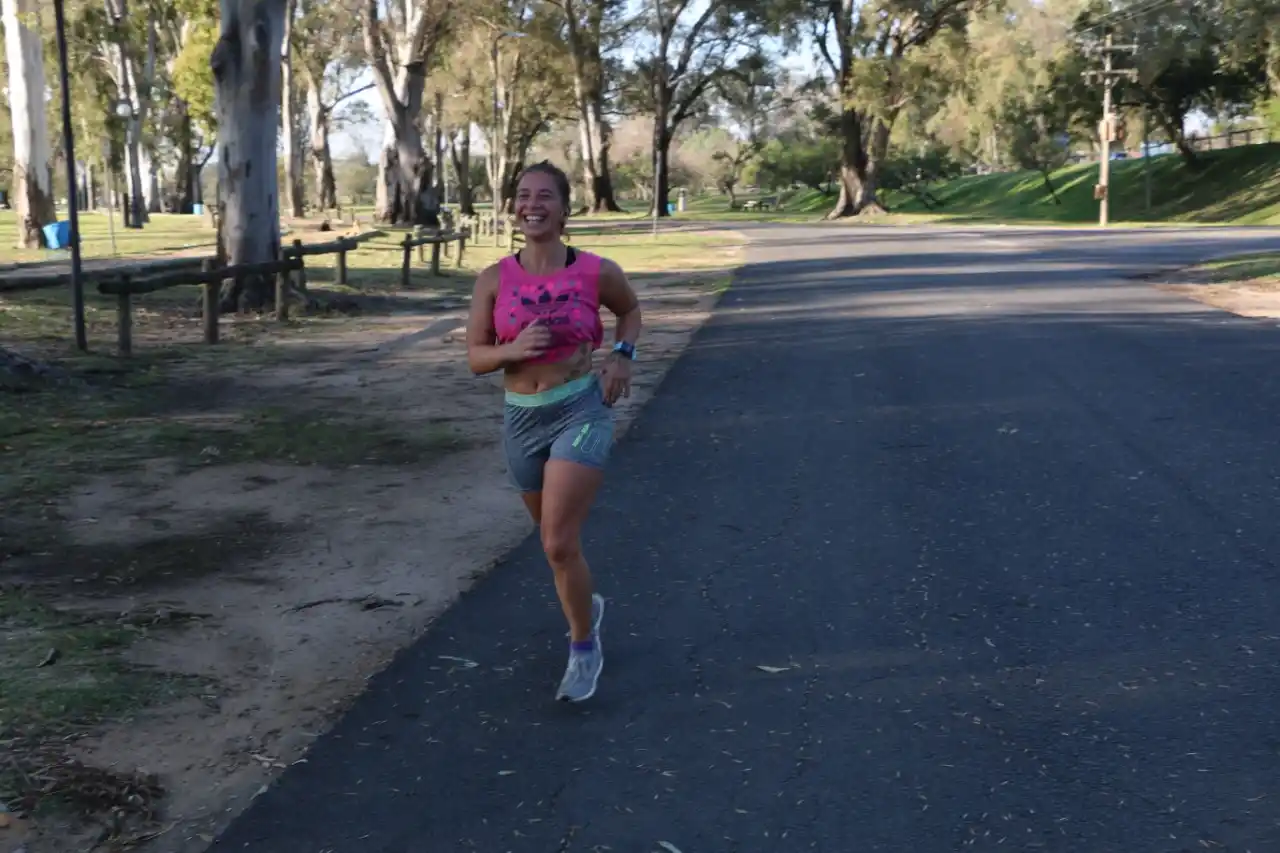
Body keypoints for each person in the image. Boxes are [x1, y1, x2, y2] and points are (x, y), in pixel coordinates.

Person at [465, 161, 642, 702]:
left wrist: (622, 355)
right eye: (523, 195)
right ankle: (587, 606)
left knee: (557, 542)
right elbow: (476, 358)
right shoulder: (493, 279)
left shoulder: (595, 271)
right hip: (521, 418)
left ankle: (583, 646)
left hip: (580, 410)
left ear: (565, 209)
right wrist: (512, 351)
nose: (532, 204)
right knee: (557, 549)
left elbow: (630, 310)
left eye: (545, 196)